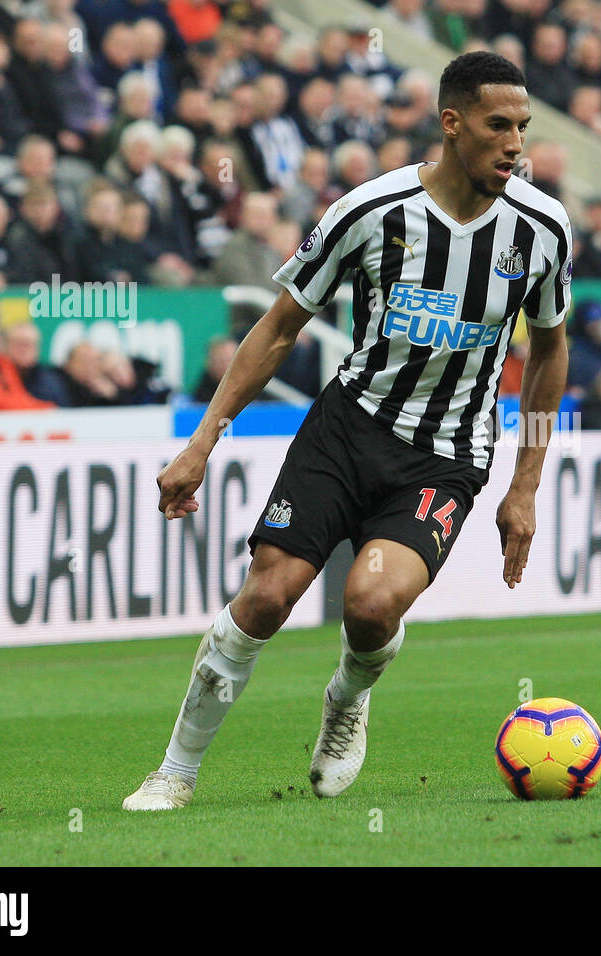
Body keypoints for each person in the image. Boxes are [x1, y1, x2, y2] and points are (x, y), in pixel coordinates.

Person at [124, 52, 572, 811]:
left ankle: (347, 698)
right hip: (346, 428)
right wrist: (203, 441)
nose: (514, 144)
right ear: (452, 122)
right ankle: (175, 771)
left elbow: (550, 349)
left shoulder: (540, 229)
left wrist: (524, 486)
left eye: (522, 127)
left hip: (446, 454)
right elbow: (278, 328)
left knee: (370, 606)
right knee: (267, 596)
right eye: (499, 126)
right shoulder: (371, 212)